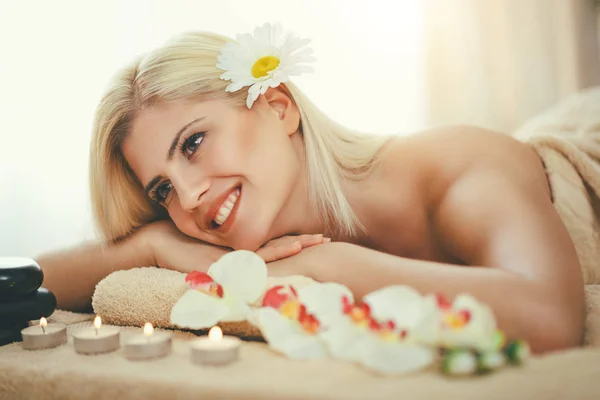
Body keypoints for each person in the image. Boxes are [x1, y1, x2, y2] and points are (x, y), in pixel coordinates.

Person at [37, 23, 585, 354]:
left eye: (194, 142)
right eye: (161, 190)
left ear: (279, 106)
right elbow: (27, 277)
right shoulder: (207, 217)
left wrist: (332, 267)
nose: (187, 198)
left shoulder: (455, 169)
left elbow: (551, 321)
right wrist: (158, 246)